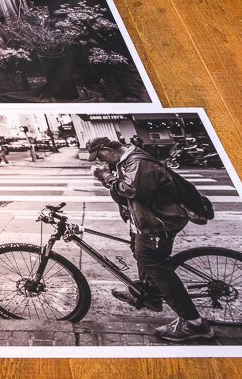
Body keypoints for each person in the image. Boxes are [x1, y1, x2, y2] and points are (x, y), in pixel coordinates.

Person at [84, 135, 214, 343]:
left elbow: (133, 191)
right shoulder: (123, 162)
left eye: (99, 156)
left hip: (158, 224)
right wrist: (110, 178)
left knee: (156, 267)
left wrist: (106, 177)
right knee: (140, 254)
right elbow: (122, 196)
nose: (100, 161)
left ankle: (194, 323)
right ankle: (147, 295)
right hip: (145, 222)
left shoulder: (138, 162)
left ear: (109, 149)